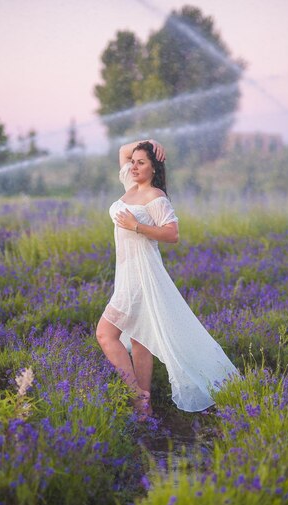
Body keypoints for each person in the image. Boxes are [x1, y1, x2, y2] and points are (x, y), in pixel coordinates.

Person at [96, 139, 238, 419]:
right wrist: (150, 142)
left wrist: (136, 226)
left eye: (142, 162)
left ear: (154, 168)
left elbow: (172, 234)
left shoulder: (155, 196)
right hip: (125, 274)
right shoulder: (130, 187)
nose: (133, 166)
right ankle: (143, 408)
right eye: (133, 162)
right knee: (139, 339)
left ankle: (136, 393)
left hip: (141, 276)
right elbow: (123, 150)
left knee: (105, 333)